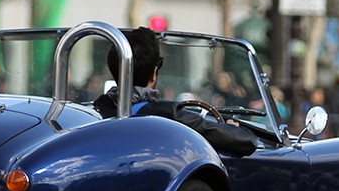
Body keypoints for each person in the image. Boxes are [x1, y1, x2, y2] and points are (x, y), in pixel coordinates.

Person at [92, 26, 257, 157]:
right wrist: (230, 127)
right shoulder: (167, 115)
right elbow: (246, 141)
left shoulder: (99, 109)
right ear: (154, 72)